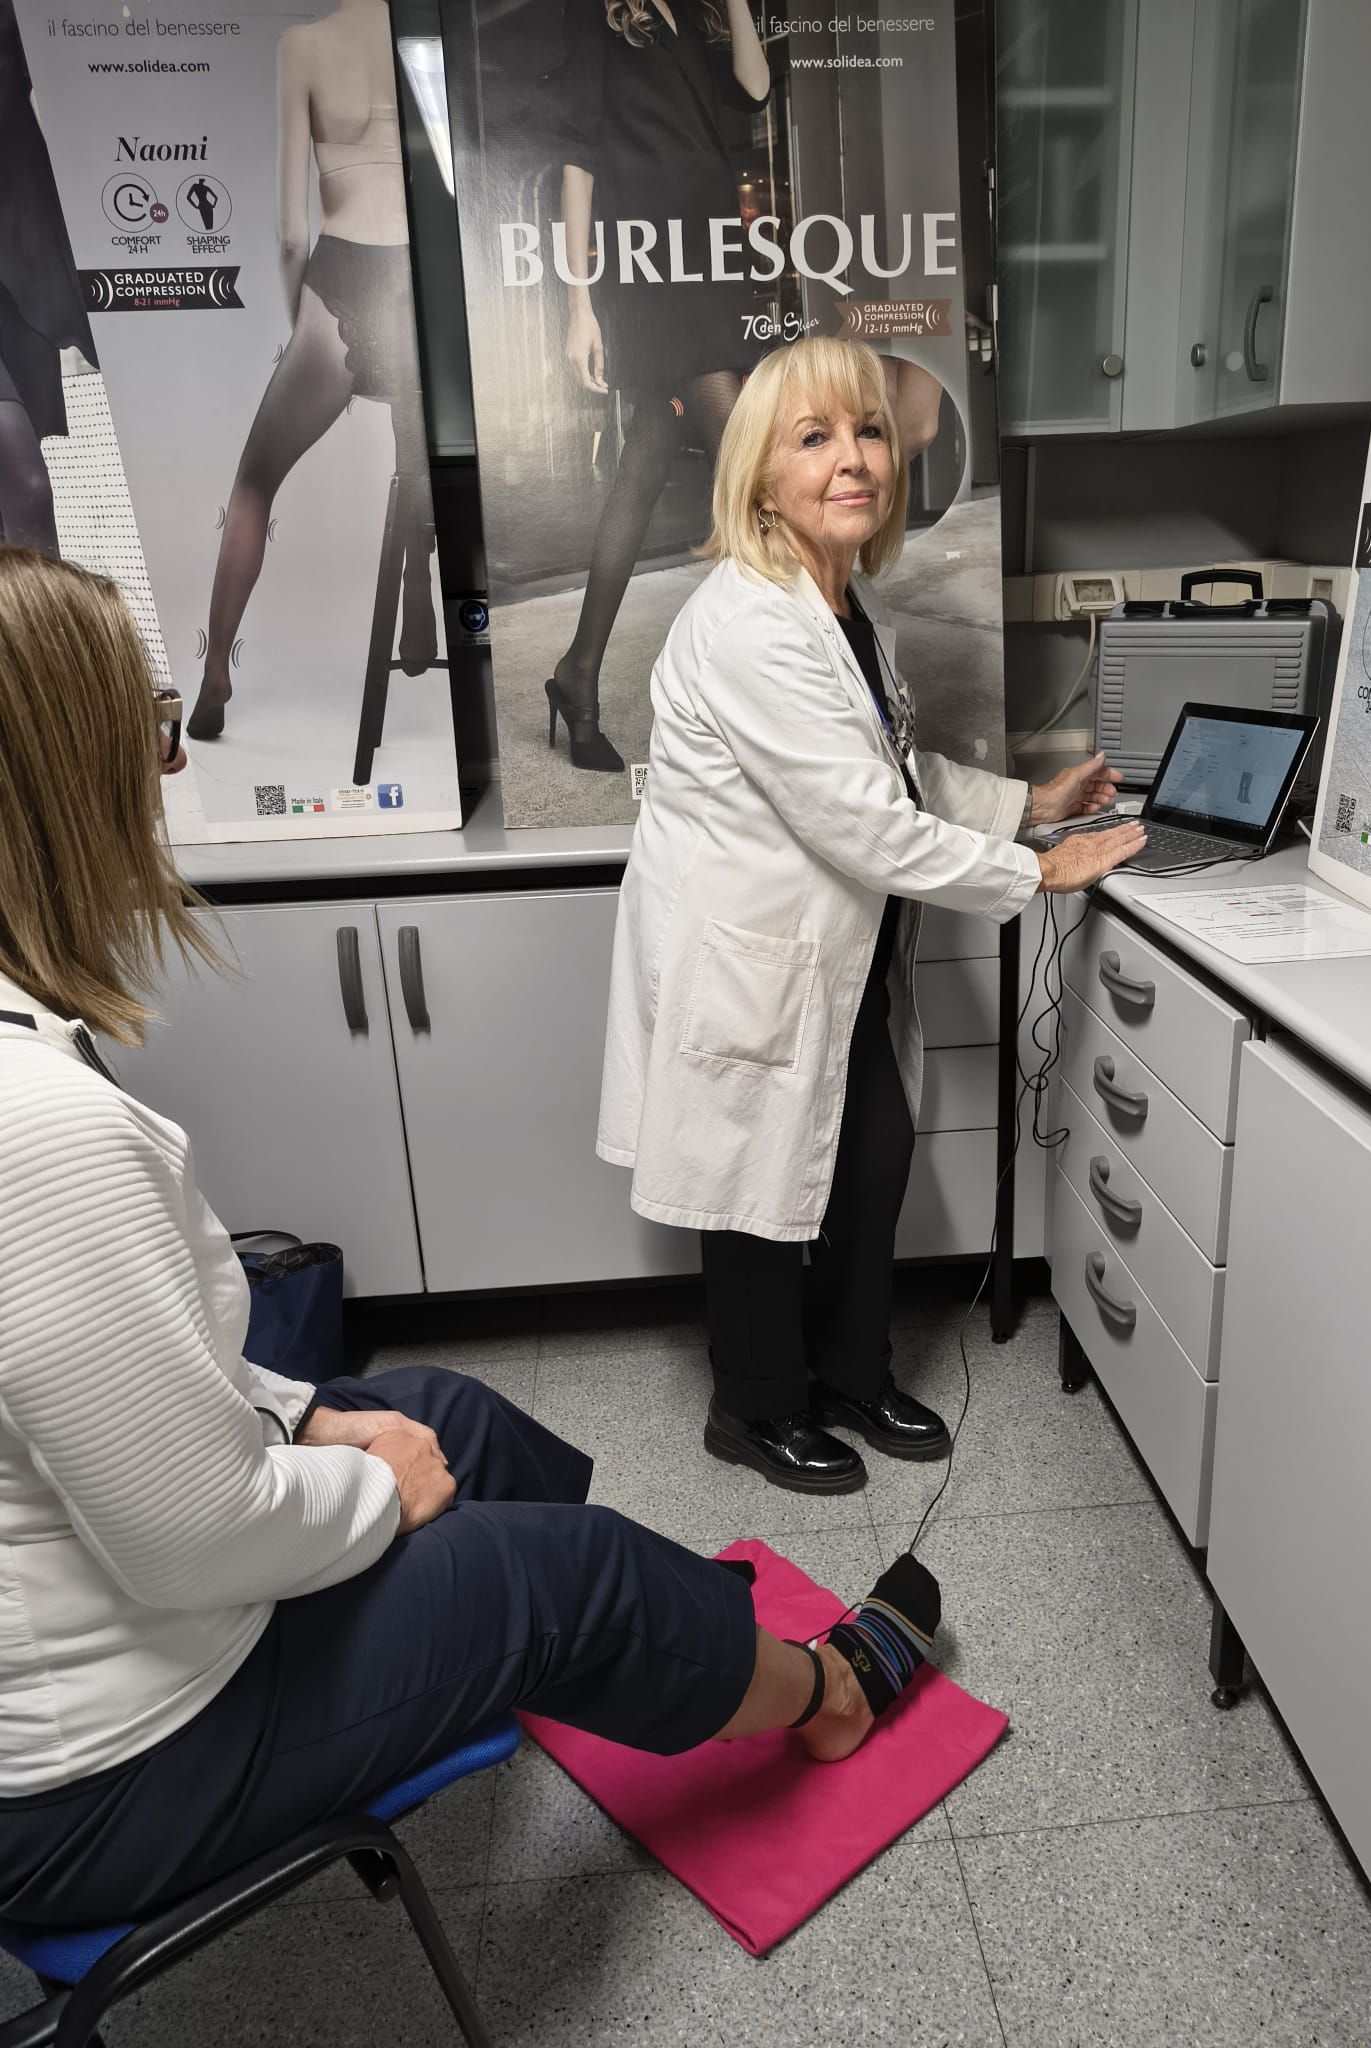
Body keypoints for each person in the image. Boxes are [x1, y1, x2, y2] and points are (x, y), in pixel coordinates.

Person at [0, 543, 941, 1931]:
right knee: (553, 1571)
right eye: (141, 726)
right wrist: (383, 1495)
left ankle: (647, 1653)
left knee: (446, 1411)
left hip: (108, 1631)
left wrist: (318, 1417)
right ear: (60, 775)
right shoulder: (36, 1129)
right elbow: (190, 1544)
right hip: (96, 1786)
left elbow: (98, 1389)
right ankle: (823, 1690)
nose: (166, 767)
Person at [598, 336, 1146, 1493]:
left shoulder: (847, 608)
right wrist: (1036, 873)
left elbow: (897, 776)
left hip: (841, 954)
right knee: (755, 1185)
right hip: (761, 955)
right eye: (814, 438)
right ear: (758, 476)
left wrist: (1027, 803)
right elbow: (864, 824)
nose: (854, 459)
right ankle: (752, 1406)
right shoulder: (750, 623)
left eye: (867, 432)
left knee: (870, 1152)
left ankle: (848, 1369)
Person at [187, 0, 435, 744]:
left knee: (254, 484)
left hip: (345, 274)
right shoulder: (425, 40)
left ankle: (215, 679)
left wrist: (304, 320)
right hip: (418, 281)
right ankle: (417, 599)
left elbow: (293, 229)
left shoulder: (304, 44)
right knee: (418, 452)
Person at [545, 0, 770, 771]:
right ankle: (785, 691)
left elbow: (755, 86)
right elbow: (578, 161)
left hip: (708, 254)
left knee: (643, 467)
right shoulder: (597, 15)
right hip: (651, 266)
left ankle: (578, 672)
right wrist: (580, 306)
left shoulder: (686, 15)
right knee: (750, 460)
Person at [0, 0, 98, 557]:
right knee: (28, 489)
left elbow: (72, 77)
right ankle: (46, 645)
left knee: (15, 499)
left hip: (18, 260)